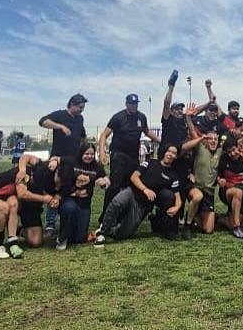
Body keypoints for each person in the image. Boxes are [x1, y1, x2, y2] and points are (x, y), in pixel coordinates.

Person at [0, 153, 54, 259]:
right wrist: (45, 198)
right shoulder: (27, 174)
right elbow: (22, 193)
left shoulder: (51, 172)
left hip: (10, 200)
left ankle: (14, 235)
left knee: (35, 240)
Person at [94, 144, 182, 245]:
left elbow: (177, 196)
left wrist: (176, 207)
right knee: (116, 202)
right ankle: (103, 232)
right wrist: (145, 189)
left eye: (174, 153)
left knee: (125, 233)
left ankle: (112, 232)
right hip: (132, 192)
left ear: (176, 157)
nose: (170, 154)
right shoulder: (150, 162)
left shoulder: (173, 176)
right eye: (169, 151)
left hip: (143, 205)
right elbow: (134, 177)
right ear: (165, 152)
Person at [98, 94, 160, 220]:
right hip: (118, 154)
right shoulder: (118, 117)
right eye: (131, 103)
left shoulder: (141, 117)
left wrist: (160, 141)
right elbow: (104, 135)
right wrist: (102, 153)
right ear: (126, 104)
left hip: (133, 156)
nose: (134, 106)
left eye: (136, 103)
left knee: (131, 185)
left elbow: (147, 131)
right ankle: (105, 217)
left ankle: (123, 215)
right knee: (115, 185)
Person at [39, 93, 88, 232]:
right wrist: (59, 126)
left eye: (83, 107)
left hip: (73, 160)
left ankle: (70, 219)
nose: (81, 110)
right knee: (56, 188)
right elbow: (42, 121)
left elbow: (82, 135)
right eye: (80, 107)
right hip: (58, 160)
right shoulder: (60, 115)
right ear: (72, 104)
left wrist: (86, 149)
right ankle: (50, 223)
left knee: (72, 189)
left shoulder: (80, 118)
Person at [56, 143, 109, 250]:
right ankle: (61, 239)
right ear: (81, 153)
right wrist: (53, 161)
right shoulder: (73, 161)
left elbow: (106, 181)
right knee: (70, 209)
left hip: (85, 204)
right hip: (69, 198)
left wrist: (104, 183)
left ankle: (69, 233)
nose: (89, 156)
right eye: (86, 154)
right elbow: (58, 159)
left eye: (92, 154)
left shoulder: (97, 166)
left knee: (79, 238)